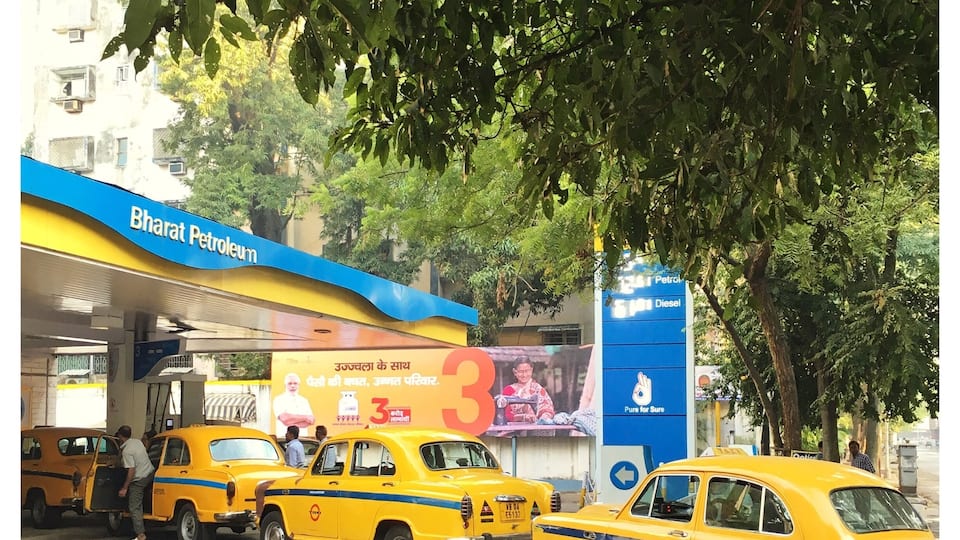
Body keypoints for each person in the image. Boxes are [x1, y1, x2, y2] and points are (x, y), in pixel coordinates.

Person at [115, 425, 156, 540]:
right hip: (150, 472)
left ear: (120, 436)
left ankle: (140, 534)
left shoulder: (127, 451)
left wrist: (125, 488)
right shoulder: (137, 442)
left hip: (139, 478)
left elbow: (131, 471)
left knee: (134, 506)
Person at [501, 357, 555, 423]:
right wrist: (522, 417)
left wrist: (544, 417)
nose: (524, 375)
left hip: (536, 429)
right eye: (521, 372)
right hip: (513, 430)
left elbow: (547, 409)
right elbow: (505, 414)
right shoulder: (508, 390)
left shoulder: (538, 389)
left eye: (527, 371)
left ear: (531, 370)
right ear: (515, 372)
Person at [273, 373, 315, 437]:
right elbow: (284, 419)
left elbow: (311, 420)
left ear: (298, 385)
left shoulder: (304, 400)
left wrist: (291, 419)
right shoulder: (279, 399)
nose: (292, 386)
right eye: (290, 383)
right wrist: (305, 418)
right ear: (285, 385)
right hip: (284, 438)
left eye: (295, 383)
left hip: (303, 438)